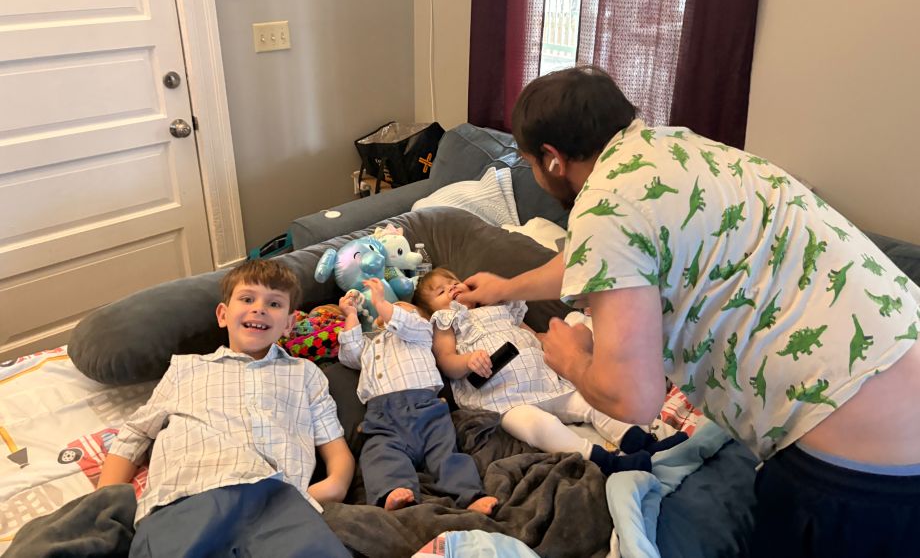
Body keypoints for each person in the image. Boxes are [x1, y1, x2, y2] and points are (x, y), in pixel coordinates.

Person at [457, 65, 920, 557]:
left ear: (552, 159)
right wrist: (507, 288)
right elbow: (592, 256)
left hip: (854, 456)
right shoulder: (673, 149)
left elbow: (634, 398)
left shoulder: (604, 203)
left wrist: (571, 359)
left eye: (529, 161)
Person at [98, 259, 354, 558]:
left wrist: (329, 489)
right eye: (247, 299)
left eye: (274, 303)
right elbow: (135, 434)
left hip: (280, 503)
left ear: (289, 323)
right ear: (223, 314)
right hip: (188, 497)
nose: (259, 309)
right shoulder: (186, 368)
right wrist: (104, 506)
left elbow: (335, 448)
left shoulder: (305, 373)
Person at [416, 267, 686, 476]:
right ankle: (604, 461)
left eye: (453, 281)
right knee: (537, 426)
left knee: (593, 402)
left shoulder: (500, 306)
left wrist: (546, 341)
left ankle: (641, 441)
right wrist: (468, 362)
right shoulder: (447, 321)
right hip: (505, 399)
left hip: (546, 379)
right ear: (431, 311)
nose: (451, 288)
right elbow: (446, 360)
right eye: (440, 292)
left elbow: (529, 334)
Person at [337, 278, 498, 514]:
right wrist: (351, 315)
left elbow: (406, 323)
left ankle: (470, 495)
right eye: (389, 310)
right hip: (382, 419)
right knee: (379, 455)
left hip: (426, 410)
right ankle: (394, 493)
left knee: (447, 454)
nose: (393, 311)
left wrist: (382, 303)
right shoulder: (372, 345)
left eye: (401, 308)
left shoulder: (421, 332)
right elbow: (349, 355)